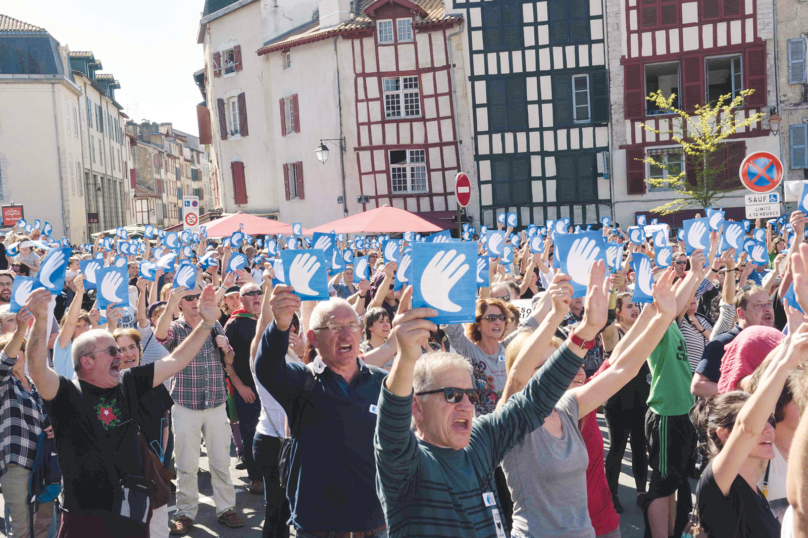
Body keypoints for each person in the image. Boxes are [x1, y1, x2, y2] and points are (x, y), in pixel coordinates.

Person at [373, 263, 607, 538]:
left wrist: (587, 332)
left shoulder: (480, 441)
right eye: (451, 395)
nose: (466, 405)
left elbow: (534, 399)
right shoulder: (405, 463)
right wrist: (405, 359)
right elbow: (391, 424)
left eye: (471, 395)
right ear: (417, 407)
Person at [25, 285, 224, 538]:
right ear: (86, 361)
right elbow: (37, 370)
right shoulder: (66, 394)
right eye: (111, 351)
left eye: (118, 350)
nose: (120, 356)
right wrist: (41, 320)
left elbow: (176, 361)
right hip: (85, 516)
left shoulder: (128, 381)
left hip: (132, 509)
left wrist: (206, 324)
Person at [498, 268, 679, 538]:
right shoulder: (511, 420)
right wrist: (559, 315)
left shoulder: (569, 406)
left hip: (597, 528)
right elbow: (515, 381)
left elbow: (623, 368)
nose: (556, 373)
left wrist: (662, 316)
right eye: (542, 366)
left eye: (556, 363)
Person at [255, 289, 388, 538]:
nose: (347, 334)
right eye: (335, 327)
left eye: (352, 325)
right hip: (319, 522)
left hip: (375, 520)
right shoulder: (301, 380)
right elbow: (266, 368)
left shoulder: (381, 381)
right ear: (313, 338)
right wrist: (280, 325)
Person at [692, 327, 807, 538]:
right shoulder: (717, 481)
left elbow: (761, 390)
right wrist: (785, 365)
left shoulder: (753, 488)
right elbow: (747, 427)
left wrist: (791, 338)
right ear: (725, 435)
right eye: (759, 423)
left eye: (769, 421)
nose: (768, 429)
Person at [155, 285, 244, 535]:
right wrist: (169, 304)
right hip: (185, 404)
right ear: (180, 305)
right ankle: (185, 513)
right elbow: (160, 335)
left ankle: (226, 509)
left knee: (220, 462)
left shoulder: (215, 324)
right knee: (186, 464)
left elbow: (229, 361)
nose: (195, 301)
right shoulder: (176, 328)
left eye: (197, 297)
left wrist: (226, 348)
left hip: (216, 403)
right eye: (188, 298)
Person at [0, 306, 55, 538]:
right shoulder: (4, 383)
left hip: (43, 462)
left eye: (18, 350)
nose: (14, 355)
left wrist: (53, 427)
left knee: (43, 525)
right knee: (21, 528)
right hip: (17, 463)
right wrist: (21, 328)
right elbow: (4, 362)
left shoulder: (34, 383)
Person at [113, 328, 174, 538]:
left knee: (158, 528)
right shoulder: (111, 387)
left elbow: (165, 420)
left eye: (132, 347)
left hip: (155, 470)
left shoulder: (154, 379)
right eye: (121, 349)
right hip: (126, 478)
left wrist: (160, 461)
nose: (128, 354)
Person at [250, 270, 294, 538]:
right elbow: (263, 328)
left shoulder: (303, 358)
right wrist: (268, 288)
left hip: (300, 441)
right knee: (276, 510)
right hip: (271, 441)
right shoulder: (261, 359)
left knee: (298, 509)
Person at [441, 298, 540, 415]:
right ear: (478, 325)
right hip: (487, 427)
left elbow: (533, 321)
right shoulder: (469, 350)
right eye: (491, 318)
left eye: (502, 318)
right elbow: (454, 329)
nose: (498, 322)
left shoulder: (508, 347)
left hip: (514, 420)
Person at [601, 293, 649, 513]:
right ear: (618, 311)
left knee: (640, 446)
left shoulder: (644, 330)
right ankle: (611, 495)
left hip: (642, 399)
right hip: (618, 400)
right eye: (629, 306)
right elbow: (605, 322)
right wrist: (612, 290)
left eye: (636, 305)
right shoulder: (613, 331)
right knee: (617, 449)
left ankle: (641, 492)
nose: (634, 309)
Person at [692, 285, 774, 397]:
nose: (767, 309)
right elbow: (698, 386)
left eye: (769, 304)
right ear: (741, 313)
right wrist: (742, 391)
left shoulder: (774, 341)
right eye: (758, 305)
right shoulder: (723, 342)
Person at [223, 282, 264, 495]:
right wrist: (239, 386)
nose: (257, 296)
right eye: (251, 293)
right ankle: (255, 477)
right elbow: (226, 361)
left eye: (260, 292)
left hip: (270, 387)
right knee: (250, 431)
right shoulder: (234, 323)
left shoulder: (267, 319)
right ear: (241, 298)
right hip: (247, 388)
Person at [53, 275, 92, 379]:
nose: (83, 329)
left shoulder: (92, 345)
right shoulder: (63, 344)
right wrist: (79, 293)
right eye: (77, 326)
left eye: (85, 325)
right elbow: (70, 322)